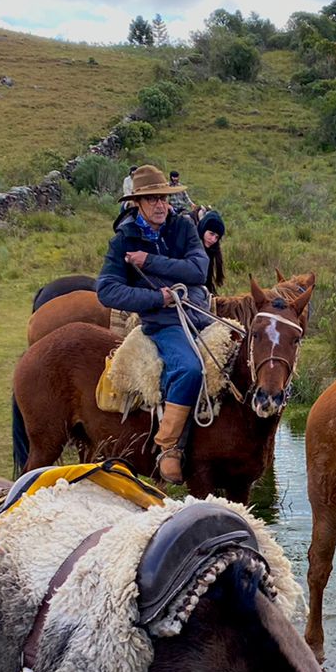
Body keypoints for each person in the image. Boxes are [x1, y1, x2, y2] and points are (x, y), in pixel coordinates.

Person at [96, 164, 209, 483]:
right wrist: (156, 299)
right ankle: (169, 446)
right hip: (163, 321)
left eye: (163, 198)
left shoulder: (183, 226)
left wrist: (151, 262)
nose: (161, 205)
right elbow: (107, 289)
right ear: (137, 204)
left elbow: (199, 270)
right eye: (152, 200)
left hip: (199, 312)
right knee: (189, 368)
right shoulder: (123, 241)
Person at [196, 209, 226, 291]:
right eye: (211, 234)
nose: (213, 239)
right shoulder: (190, 245)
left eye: (217, 237)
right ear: (203, 229)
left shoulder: (211, 250)